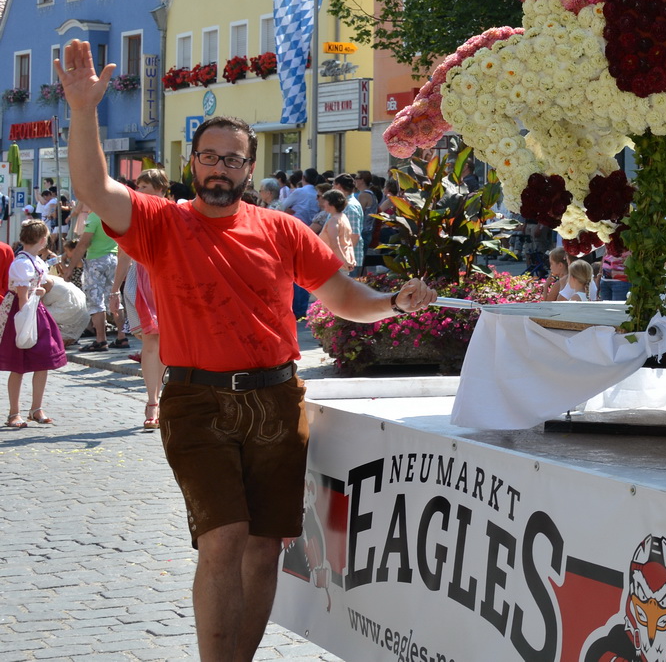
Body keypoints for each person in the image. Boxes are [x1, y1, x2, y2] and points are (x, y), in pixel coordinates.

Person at [55, 39, 437, 662]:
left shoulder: (282, 229)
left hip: (277, 400)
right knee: (224, 538)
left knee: (265, 546)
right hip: (195, 401)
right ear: (192, 163)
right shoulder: (161, 223)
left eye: (232, 161)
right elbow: (94, 189)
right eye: (209, 157)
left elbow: (341, 294)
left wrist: (395, 303)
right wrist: (81, 110)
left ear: (249, 170)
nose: (219, 170)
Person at [115, 168, 170, 428]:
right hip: (143, 281)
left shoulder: (174, 213)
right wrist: (115, 288)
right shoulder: (133, 216)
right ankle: (153, 401)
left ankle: (163, 399)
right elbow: (124, 254)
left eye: (145, 186)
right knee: (151, 341)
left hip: (169, 279)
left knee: (168, 343)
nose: (140, 191)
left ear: (161, 189)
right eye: (139, 186)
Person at [2, 219, 64, 427]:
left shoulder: (35, 260)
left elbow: (40, 286)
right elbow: (22, 296)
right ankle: (14, 413)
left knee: (43, 360)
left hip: (35, 311)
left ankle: (36, 408)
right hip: (23, 313)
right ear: (43, 239)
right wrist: (25, 319)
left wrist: (41, 291)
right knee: (18, 364)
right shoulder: (22, 263)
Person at [66, 198, 123, 351]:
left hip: (96, 260)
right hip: (113, 258)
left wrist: (70, 268)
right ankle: (121, 337)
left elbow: (83, 243)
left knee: (95, 300)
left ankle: (101, 339)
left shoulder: (94, 217)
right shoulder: (113, 217)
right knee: (114, 297)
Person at [317, 190, 358, 277]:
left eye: (325, 201)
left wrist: (344, 262)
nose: (323, 204)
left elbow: (335, 245)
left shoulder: (334, 220)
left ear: (332, 203)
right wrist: (351, 259)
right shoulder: (344, 217)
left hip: (334, 264)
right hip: (342, 261)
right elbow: (349, 242)